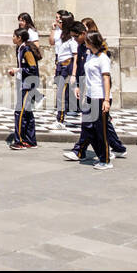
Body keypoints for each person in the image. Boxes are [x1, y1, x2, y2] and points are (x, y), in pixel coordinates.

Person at [76, 30, 115, 171]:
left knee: (101, 130)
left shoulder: (103, 58)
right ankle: (101, 155)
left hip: (100, 96)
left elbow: (106, 78)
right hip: (91, 96)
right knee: (89, 127)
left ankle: (105, 160)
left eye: (86, 40)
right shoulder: (90, 56)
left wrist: (106, 100)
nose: (84, 42)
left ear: (91, 42)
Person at [7, 27, 40, 149]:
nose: (12, 38)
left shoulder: (26, 50)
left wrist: (18, 70)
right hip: (24, 82)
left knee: (19, 112)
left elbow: (32, 68)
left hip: (29, 84)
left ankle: (20, 141)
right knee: (27, 112)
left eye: (14, 36)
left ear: (19, 38)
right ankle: (31, 140)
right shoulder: (20, 48)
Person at [52, 16, 78, 124]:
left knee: (61, 93)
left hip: (67, 67)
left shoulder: (72, 40)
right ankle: (60, 117)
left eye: (61, 22)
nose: (58, 23)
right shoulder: (62, 37)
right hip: (60, 65)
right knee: (59, 92)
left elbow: (75, 56)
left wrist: (73, 74)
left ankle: (61, 118)